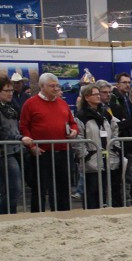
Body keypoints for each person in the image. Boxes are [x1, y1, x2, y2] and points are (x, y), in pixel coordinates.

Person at [18, 72, 78, 212]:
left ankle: (64, 214)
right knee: (40, 188)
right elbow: (24, 127)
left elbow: (72, 123)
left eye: (57, 86)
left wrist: (74, 131)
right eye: (52, 86)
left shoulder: (63, 103)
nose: (56, 88)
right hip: (42, 152)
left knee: (63, 187)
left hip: (63, 151)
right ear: (42, 87)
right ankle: (37, 216)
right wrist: (32, 146)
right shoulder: (30, 104)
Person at [76, 83, 124, 209]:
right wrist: (85, 155)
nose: (98, 97)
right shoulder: (81, 116)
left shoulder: (106, 114)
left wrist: (115, 148)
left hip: (109, 158)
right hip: (92, 161)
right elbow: (78, 137)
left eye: (99, 94)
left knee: (111, 190)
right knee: (92, 192)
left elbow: (115, 130)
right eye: (95, 94)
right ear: (87, 97)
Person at [0, 76, 26, 214]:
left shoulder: (10, 108)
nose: (10, 93)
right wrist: (19, 137)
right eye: (6, 90)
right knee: (14, 188)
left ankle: (9, 215)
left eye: (11, 90)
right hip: (4, 153)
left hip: (12, 151)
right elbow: (3, 133)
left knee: (10, 189)